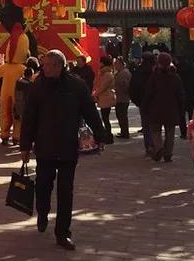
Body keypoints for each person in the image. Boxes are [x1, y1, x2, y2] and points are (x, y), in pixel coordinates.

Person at [20, 50, 107, 250]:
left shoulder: (76, 86)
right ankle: (42, 212)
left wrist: (101, 136)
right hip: (44, 146)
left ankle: (63, 232)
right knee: (43, 185)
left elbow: (90, 112)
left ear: (59, 66)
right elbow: (29, 118)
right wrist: (25, 145)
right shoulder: (37, 87)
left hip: (68, 146)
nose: (44, 68)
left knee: (66, 191)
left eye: (48, 65)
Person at [142, 53, 184, 162]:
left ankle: (159, 148)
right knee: (170, 132)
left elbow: (148, 94)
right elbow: (180, 95)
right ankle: (168, 153)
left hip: (155, 109)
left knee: (155, 130)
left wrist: (145, 107)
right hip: (171, 109)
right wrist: (181, 108)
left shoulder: (154, 77)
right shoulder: (175, 77)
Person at [0, 23, 30, 146]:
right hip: (18, 94)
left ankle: (4, 135)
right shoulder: (22, 68)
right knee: (17, 116)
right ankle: (16, 136)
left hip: (5, 94)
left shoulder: (5, 67)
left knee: (5, 113)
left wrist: (0, 63)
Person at [130, 52, 155, 156]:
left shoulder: (139, 71)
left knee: (146, 125)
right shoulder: (156, 71)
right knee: (155, 125)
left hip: (143, 102)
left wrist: (137, 101)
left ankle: (149, 146)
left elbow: (133, 87)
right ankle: (156, 145)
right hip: (155, 102)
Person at [93, 56, 117, 145]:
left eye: (100, 62)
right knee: (105, 118)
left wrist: (94, 94)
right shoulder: (103, 73)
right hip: (103, 97)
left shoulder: (107, 74)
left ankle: (109, 136)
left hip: (106, 98)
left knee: (105, 118)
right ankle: (107, 135)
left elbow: (103, 87)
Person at [113, 57, 131, 139]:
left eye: (116, 64)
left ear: (120, 64)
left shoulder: (124, 73)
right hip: (120, 97)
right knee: (120, 115)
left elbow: (126, 86)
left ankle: (125, 132)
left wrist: (120, 87)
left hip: (123, 98)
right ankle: (123, 131)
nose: (115, 66)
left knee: (122, 115)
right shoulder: (120, 72)